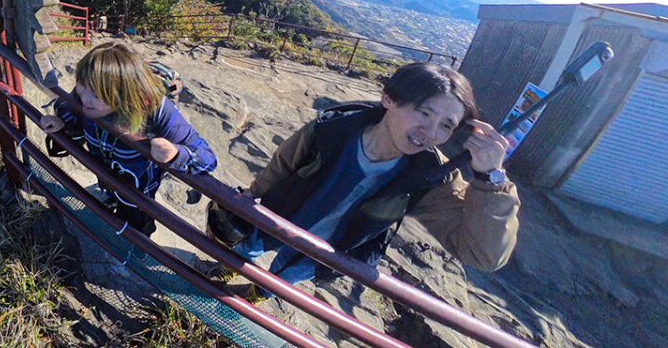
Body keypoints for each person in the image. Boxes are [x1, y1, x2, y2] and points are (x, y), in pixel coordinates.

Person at [210, 62, 519, 289]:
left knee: (282, 278)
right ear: (388, 99)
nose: (430, 132)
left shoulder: (429, 176)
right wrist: (254, 193)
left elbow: (484, 256)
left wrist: (491, 179)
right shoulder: (332, 129)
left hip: (326, 251)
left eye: (446, 126)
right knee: (248, 248)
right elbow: (283, 164)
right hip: (278, 216)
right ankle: (229, 269)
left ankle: (255, 295)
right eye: (424, 113)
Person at [39, 42, 217, 235]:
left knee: (136, 222)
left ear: (124, 95)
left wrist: (176, 154)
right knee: (111, 190)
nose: (84, 99)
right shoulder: (89, 88)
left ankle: (137, 241)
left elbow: (208, 158)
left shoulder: (156, 110)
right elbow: (71, 108)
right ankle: (112, 197)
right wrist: (62, 122)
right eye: (82, 86)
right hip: (105, 169)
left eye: (96, 95)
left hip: (137, 190)